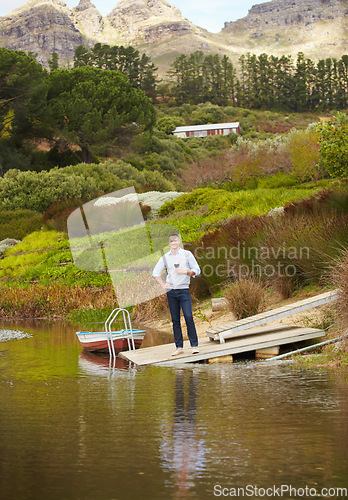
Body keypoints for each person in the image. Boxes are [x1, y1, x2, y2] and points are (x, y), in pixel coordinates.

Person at [153, 234, 200, 356]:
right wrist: (163, 285)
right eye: (171, 241)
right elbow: (155, 272)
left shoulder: (187, 254)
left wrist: (185, 271)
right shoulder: (165, 257)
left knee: (189, 317)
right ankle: (179, 347)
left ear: (179, 241)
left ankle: (194, 346)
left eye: (175, 240)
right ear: (169, 243)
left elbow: (197, 270)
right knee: (175, 320)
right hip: (171, 292)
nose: (173, 243)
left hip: (184, 290)